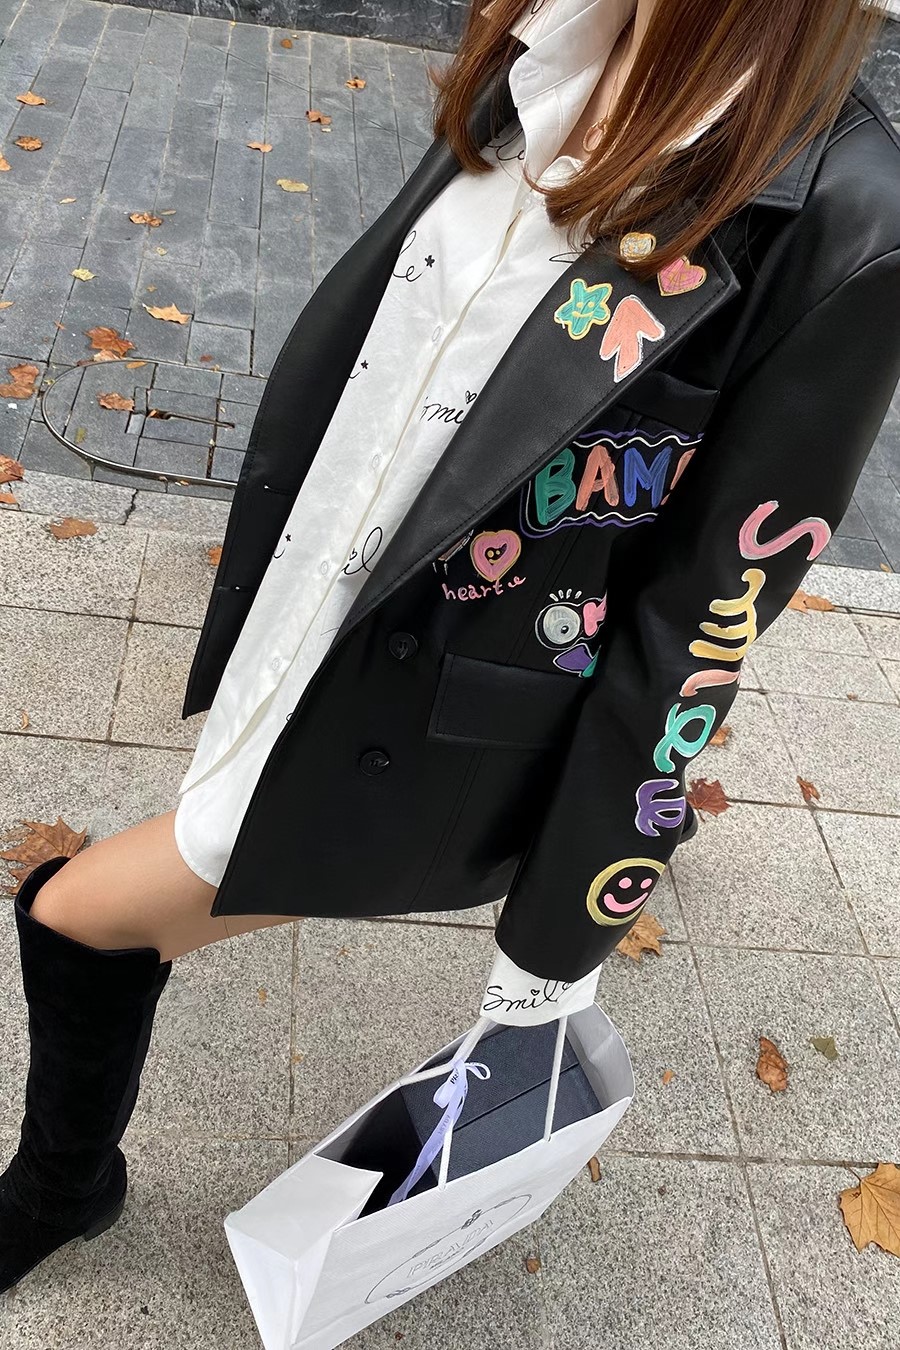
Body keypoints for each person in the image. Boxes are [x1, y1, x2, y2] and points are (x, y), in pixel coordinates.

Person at [3, 0, 900, 1296]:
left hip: (427, 714)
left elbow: (701, 622)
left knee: (80, 917)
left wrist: (554, 951)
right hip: (318, 599)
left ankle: (60, 1183)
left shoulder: (848, 216)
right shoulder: (547, 40)